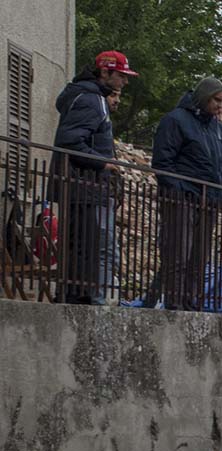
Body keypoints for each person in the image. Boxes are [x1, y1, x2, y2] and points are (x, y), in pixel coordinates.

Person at [51, 50, 138, 304]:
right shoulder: (91, 100)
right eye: (121, 75)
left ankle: (78, 295)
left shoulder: (85, 96)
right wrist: (105, 163)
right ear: (105, 72)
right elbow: (70, 141)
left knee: (84, 245)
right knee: (90, 247)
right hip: (85, 186)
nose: (125, 82)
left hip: (82, 186)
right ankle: (83, 298)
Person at [151, 77, 222, 310]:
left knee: (199, 257)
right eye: (216, 100)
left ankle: (191, 302)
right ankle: (174, 303)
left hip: (209, 200)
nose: (220, 106)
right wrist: (178, 189)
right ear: (204, 96)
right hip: (182, 198)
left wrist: (219, 192)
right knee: (178, 254)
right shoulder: (175, 120)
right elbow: (163, 161)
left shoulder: (217, 128)